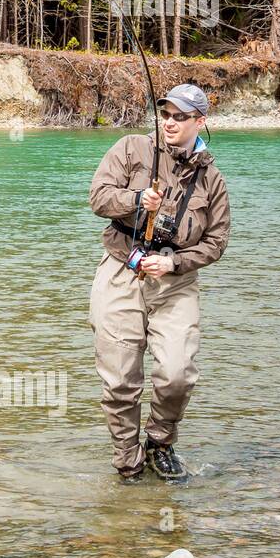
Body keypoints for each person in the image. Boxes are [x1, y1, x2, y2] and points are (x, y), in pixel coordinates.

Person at [87, 83, 231, 480]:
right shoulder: (131, 148)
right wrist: (136, 200)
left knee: (177, 372)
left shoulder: (212, 179)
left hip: (176, 281)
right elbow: (98, 198)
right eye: (165, 114)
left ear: (200, 121)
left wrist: (175, 263)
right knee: (119, 378)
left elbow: (217, 243)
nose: (169, 122)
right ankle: (127, 461)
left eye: (180, 116)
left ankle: (160, 442)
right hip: (121, 270)